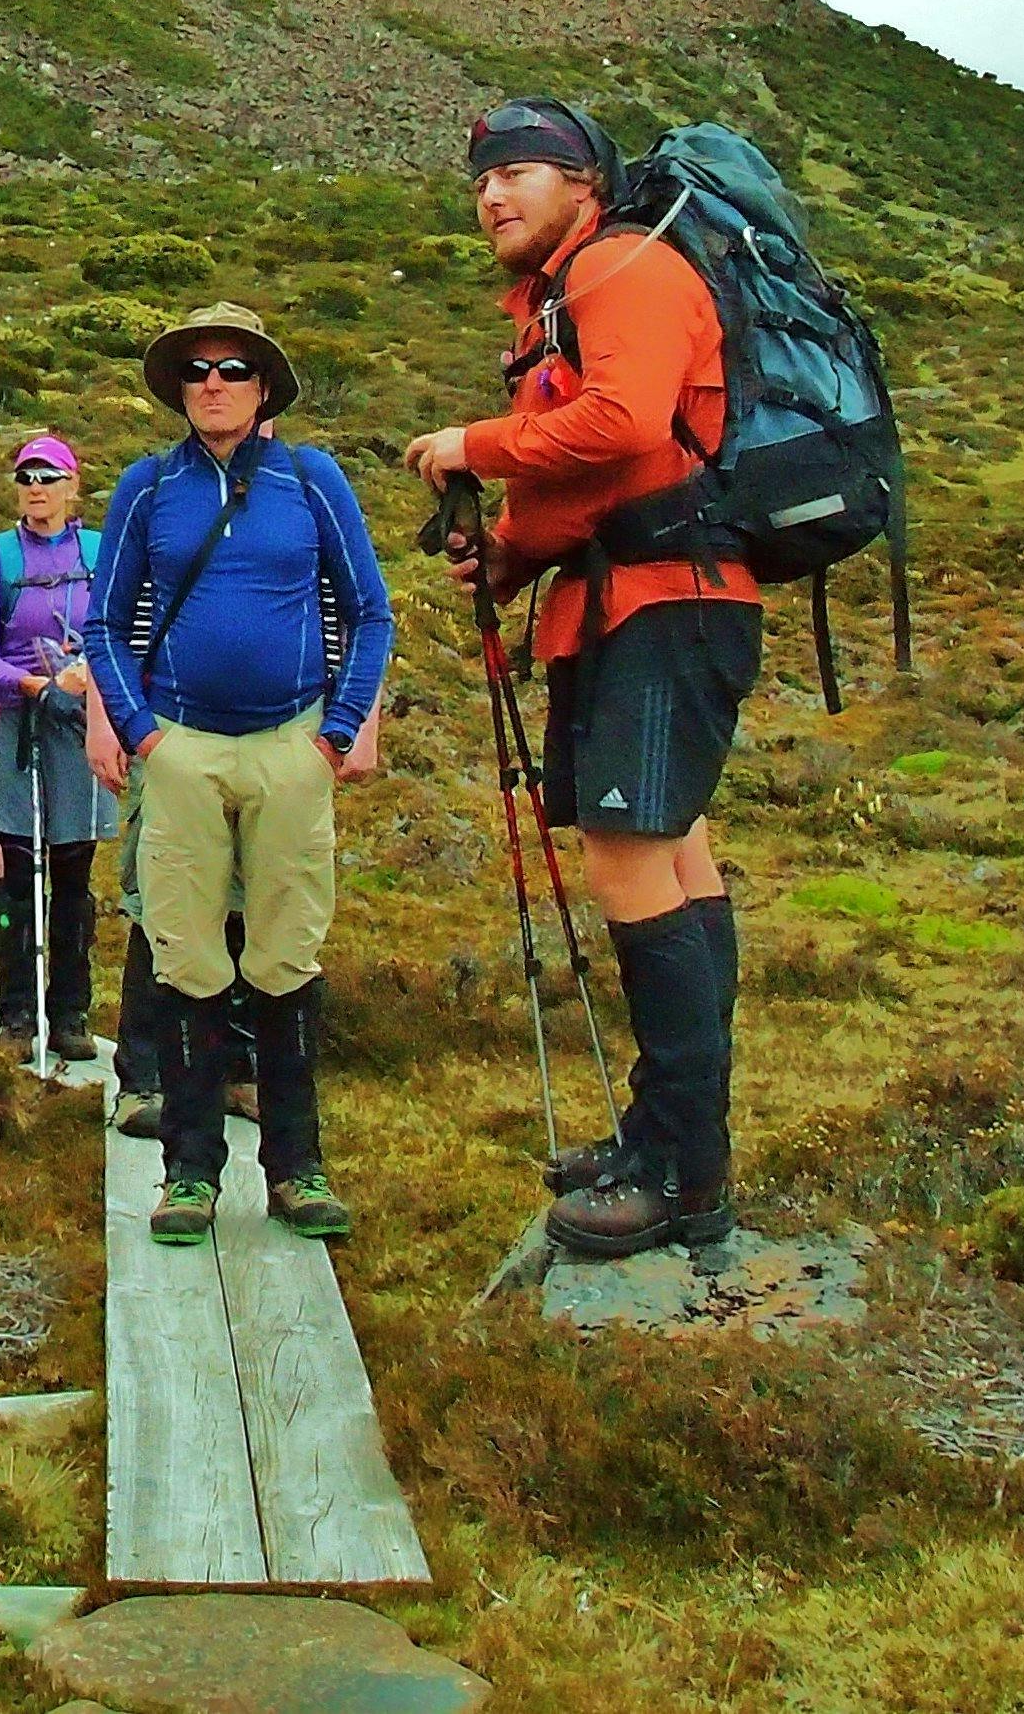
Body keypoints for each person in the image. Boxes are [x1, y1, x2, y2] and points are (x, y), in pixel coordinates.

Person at [404, 97, 761, 1262]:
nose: (494, 194)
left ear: (585, 183)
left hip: (669, 600)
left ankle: (681, 1171)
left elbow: (622, 420)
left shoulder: (621, 268)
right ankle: (664, 1133)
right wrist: (509, 552)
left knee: (629, 854)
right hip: (625, 600)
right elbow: (596, 471)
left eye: (522, 170)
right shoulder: (569, 296)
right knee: (673, 853)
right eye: (481, 181)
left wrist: (474, 446)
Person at [85, 302, 394, 1248]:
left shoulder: (313, 480)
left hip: (291, 746)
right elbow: (103, 623)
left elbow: (369, 610)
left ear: (265, 387)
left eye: (232, 368)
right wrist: (142, 735)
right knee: (186, 961)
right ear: (179, 390)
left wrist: (337, 733)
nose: (213, 383)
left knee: (284, 958)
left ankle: (297, 1170)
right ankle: (189, 1174)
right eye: (197, 371)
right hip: (180, 750)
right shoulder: (146, 487)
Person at [0, 432, 113, 1062]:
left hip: (80, 724)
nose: (37, 488)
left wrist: (81, 681)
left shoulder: (100, 551)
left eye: (49, 477)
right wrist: (30, 683)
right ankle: (17, 1011)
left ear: (73, 486)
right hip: (14, 724)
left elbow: (117, 633)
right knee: (15, 869)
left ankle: (72, 1011)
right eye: (26, 477)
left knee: (74, 868)